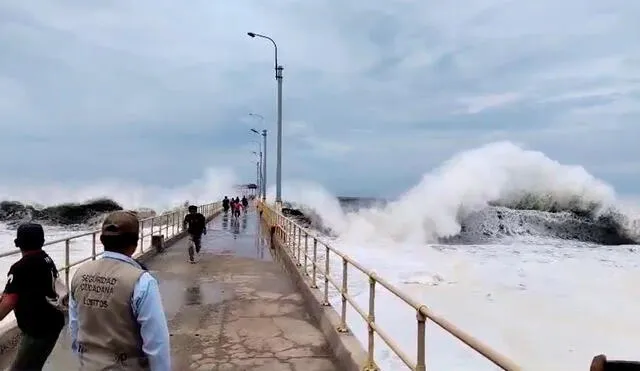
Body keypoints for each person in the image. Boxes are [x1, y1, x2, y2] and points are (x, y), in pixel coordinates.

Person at [69, 210, 171, 370]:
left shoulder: (80, 273)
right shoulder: (141, 281)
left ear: (102, 240)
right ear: (135, 243)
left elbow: (75, 326)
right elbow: (157, 344)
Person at [0, 223, 65, 370]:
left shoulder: (20, 268)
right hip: (52, 323)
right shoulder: (46, 259)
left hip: (38, 330)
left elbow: (8, 302)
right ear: (42, 241)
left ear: (18, 243)